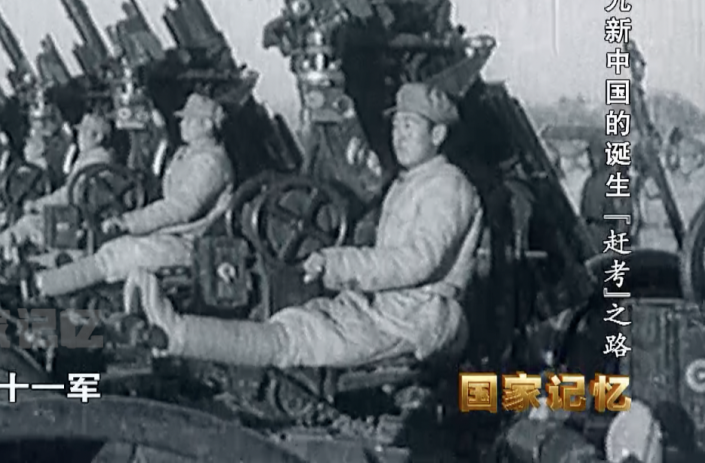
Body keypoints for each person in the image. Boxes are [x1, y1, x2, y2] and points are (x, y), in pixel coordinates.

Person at [124, 82, 483, 369]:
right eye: (396, 126)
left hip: (416, 319)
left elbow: (417, 262)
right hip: (382, 305)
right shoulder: (411, 182)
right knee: (293, 322)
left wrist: (337, 263)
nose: (398, 136)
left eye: (409, 126)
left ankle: (176, 334)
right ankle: (174, 331)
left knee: (295, 340)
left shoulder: (447, 187)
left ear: (438, 134)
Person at [31, 93, 235, 298]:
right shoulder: (188, 154)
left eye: (189, 120)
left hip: (190, 244)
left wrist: (128, 222)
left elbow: (180, 209)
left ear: (207, 125)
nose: (182, 124)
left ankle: (41, 287)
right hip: (170, 235)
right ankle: (43, 275)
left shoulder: (210, 164)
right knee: (106, 247)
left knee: (117, 255)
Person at [0, 113, 116, 262]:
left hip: (77, 220)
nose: (80, 137)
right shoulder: (91, 159)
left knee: (27, 224)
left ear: (98, 137)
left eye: (84, 132)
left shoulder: (95, 162)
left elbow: (71, 194)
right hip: (76, 215)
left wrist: (39, 204)